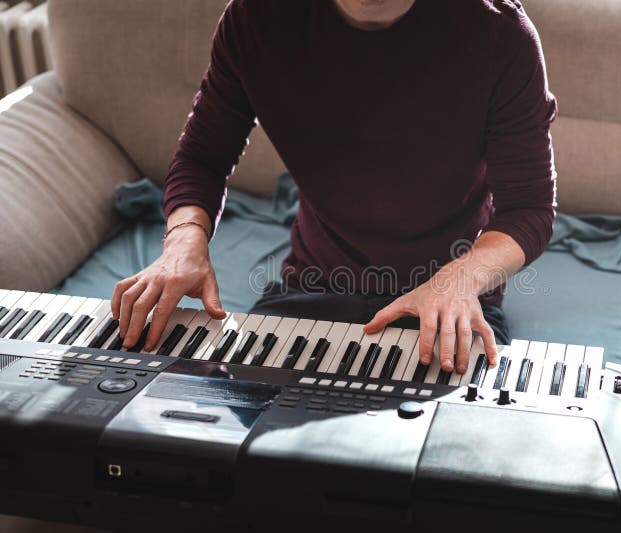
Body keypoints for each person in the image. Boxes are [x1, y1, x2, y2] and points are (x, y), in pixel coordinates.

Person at [110, 0, 558, 375]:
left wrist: (458, 281)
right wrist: (183, 244)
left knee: (435, 452)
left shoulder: (499, 34)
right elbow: (202, 159)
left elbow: (529, 209)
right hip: (312, 286)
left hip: (447, 301)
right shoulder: (256, 19)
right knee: (216, 439)